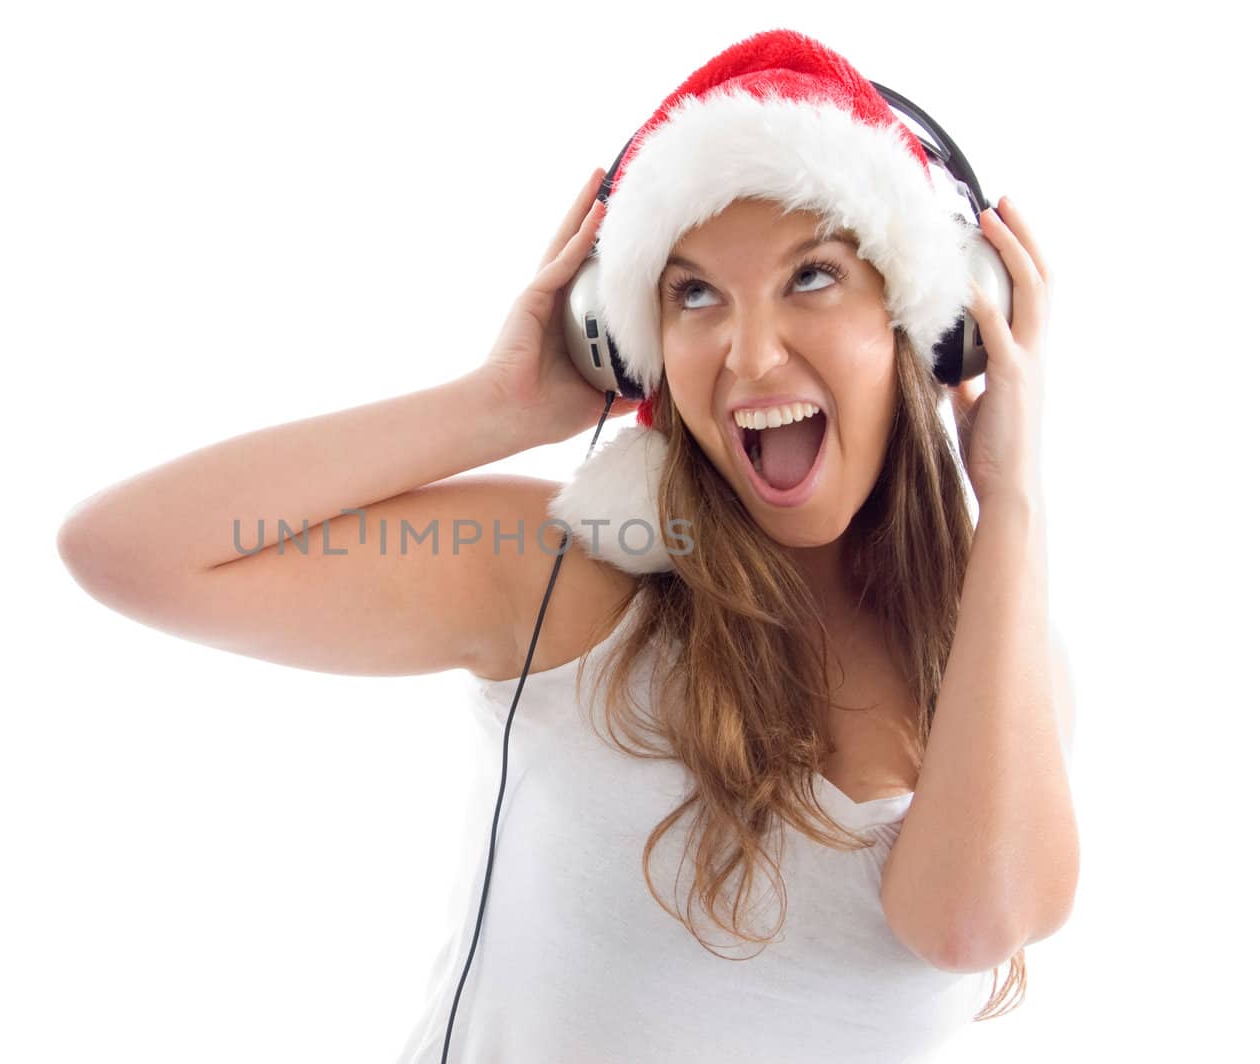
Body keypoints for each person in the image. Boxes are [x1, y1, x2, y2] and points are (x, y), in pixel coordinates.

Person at [57, 27, 1077, 1063]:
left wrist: (1011, 495)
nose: (750, 352)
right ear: (626, 345)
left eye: (812, 276)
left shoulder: (997, 651)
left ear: (936, 325)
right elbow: (131, 548)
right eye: (692, 294)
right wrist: (494, 405)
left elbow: (967, 922)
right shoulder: (575, 579)